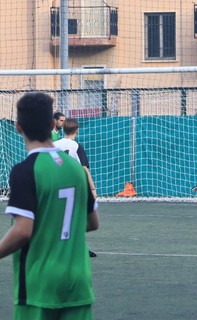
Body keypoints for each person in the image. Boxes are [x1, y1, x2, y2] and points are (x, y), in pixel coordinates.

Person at [0, 92, 99, 319]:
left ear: (18, 127)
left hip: (39, 286)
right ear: (53, 124)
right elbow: (93, 223)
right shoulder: (76, 169)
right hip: (78, 284)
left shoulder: (25, 171)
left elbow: (22, 231)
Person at [54, 117, 98, 257]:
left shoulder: (54, 144)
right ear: (77, 130)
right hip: (72, 186)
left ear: (64, 129)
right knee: (77, 218)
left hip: (55, 184)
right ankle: (77, 246)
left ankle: (77, 246)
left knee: (60, 217)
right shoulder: (76, 146)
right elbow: (84, 168)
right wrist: (92, 189)